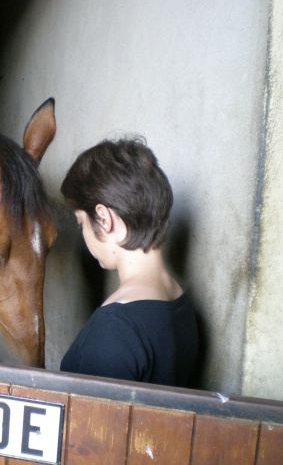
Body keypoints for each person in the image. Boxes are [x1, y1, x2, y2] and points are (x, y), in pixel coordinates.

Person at [59, 136, 198, 387]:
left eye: (81, 223)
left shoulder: (115, 328)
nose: (84, 234)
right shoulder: (180, 302)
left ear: (103, 218)